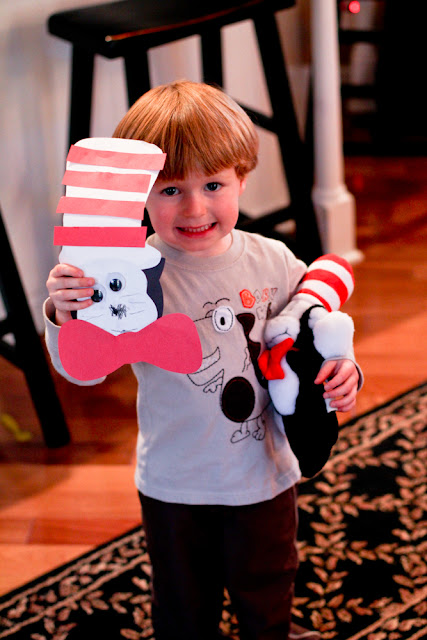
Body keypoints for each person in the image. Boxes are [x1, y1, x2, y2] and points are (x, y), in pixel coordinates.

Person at [45, 80, 361, 640]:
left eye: (213, 185)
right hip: (175, 483)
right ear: (140, 196)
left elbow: (312, 328)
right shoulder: (127, 277)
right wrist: (66, 312)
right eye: (170, 190)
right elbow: (81, 370)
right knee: (182, 605)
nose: (194, 208)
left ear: (242, 178)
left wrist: (344, 370)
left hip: (263, 476)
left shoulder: (272, 260)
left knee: (268, 587)